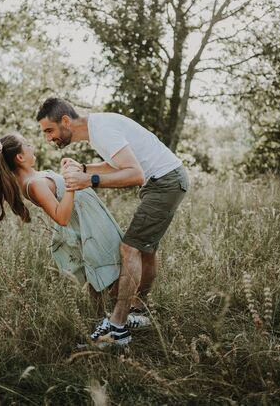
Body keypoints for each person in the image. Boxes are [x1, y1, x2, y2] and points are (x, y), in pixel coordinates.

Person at [36, 98, 189, 347]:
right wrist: (84, 167)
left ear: (65, 121)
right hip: (162, 182)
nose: (48, 138)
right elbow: (118, 164)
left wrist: (89, 180)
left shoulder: (102, 130)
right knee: (145, 250)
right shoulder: (98, 129)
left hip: (166, 183)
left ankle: (117, 327)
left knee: (130, 248)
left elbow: (135, 174)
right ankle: (139, 312)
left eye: (49, 130)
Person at [0, 132, 130, 335]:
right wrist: (70, 183)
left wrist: (68, 172)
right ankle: (110, 324)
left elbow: (60, 193)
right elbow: (62, 217)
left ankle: (110, 321)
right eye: (27, 144)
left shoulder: (35, 178)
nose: (32, 146)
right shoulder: (33, 184)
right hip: (87, 227)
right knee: (109, 272)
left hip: (92, 220)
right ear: (20, 157)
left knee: (104, 275)